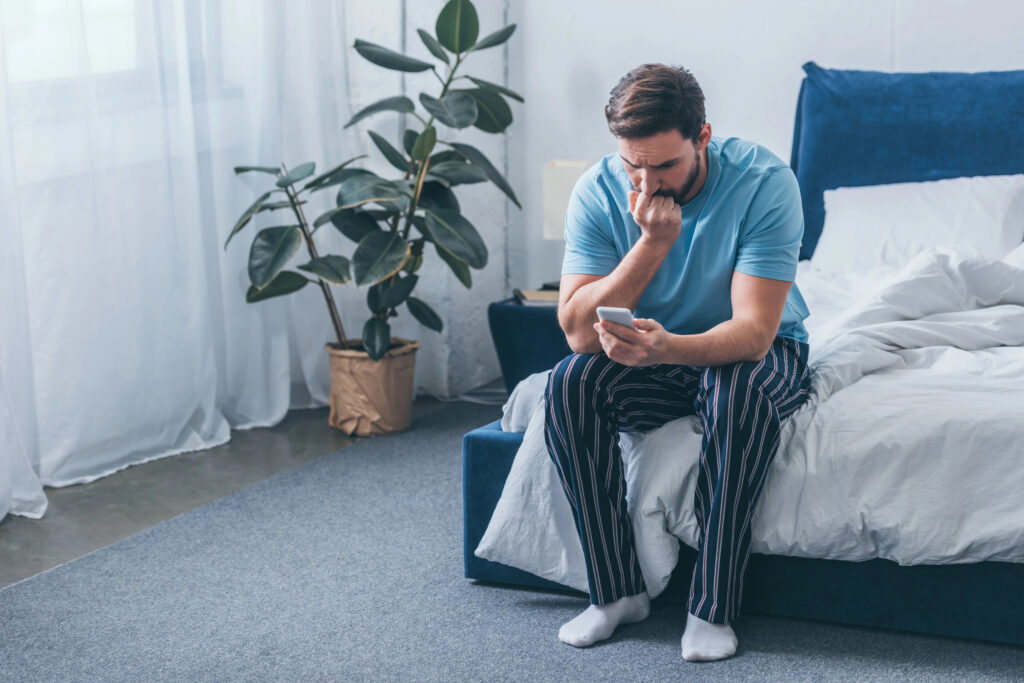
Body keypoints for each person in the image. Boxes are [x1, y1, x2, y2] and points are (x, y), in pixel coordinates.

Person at [544, 63, 812, 662]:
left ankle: (711, 608)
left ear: (704, 137)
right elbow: (575, 332)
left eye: (664, 165)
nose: (646, 182)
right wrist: (652, 244)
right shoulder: (597, 188)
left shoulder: (765, 182)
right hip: (654, 349)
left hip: (758, 350)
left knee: (733, 392)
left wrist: (670, 347)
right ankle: (616, 593)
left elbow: (754, 333)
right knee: (569, 384)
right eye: (632, 165)